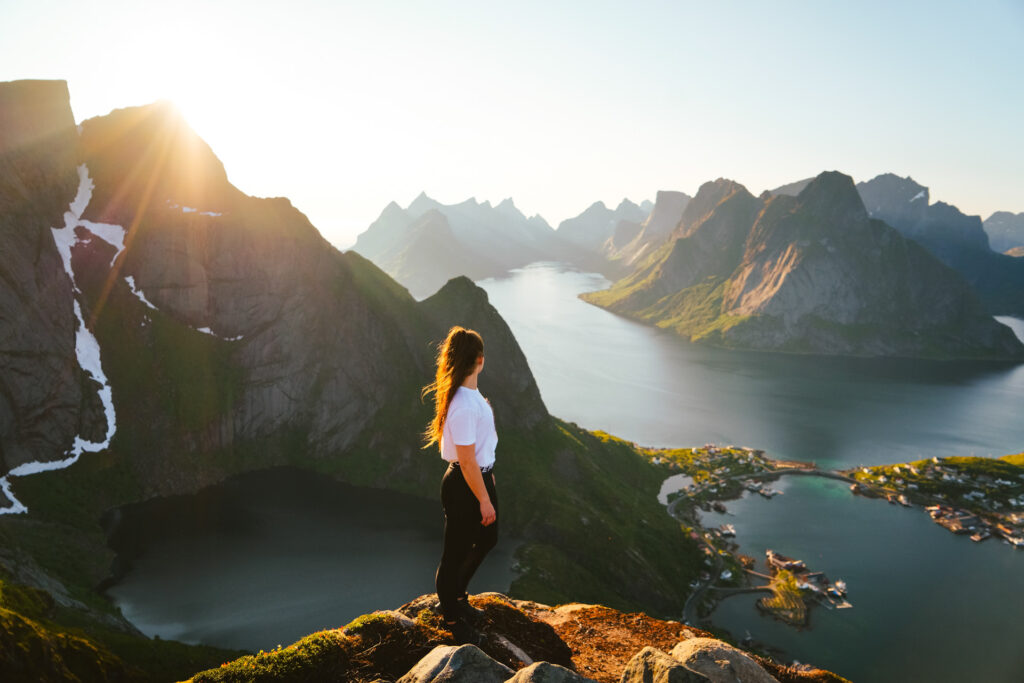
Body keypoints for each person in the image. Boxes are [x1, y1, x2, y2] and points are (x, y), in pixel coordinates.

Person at [422, 325, 498, 645]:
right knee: (455, 552)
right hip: (464, 483)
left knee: (486, 539)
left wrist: (488, 477)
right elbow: (466, 461)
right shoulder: (465, 405)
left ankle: (457, 597)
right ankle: (451, 614)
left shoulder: (469, 396)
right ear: (479, 360)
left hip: (477, 477)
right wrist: (483, 498)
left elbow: (477, 453)